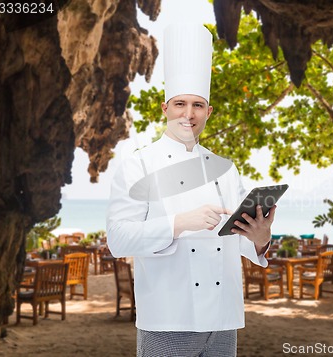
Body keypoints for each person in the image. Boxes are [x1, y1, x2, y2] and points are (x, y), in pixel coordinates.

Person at [106, 23, 275, 356]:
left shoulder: (226, 168)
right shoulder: (137, 164)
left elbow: (240, 239)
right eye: (180, 103)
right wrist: (180, 222)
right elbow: (118, 239)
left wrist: (260, 237)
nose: (189, 113)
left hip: (224, 318)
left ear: (208, 112)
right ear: (165, 108)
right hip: (168, 318)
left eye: (198, 105)